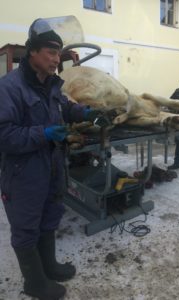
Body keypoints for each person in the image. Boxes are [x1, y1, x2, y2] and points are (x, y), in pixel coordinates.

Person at [0, 18, 109, 300]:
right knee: (26, 225)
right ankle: (34, 283)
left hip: (51, 166)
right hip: (22, 172)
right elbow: (4, 135)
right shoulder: (8, 88)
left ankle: (49, 266)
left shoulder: (50, 85)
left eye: (58, 52)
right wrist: (44, 133)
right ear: (32, 51)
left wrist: (86, 113)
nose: (56, 58)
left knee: (49, 217)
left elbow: (64, 106)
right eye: (50, 51)